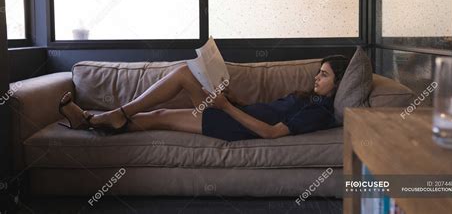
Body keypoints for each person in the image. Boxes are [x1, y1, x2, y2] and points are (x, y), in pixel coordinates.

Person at [58, 55, 349, 141]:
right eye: (318, 73)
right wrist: (232, 99)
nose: (316, 78)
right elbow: (267, 111)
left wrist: (225, 108)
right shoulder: (308, 99)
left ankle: (98, 119)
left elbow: (271, 132)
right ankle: (96, 119)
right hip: (237, 112)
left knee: (161, 113)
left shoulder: (319, 112)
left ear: (338, 84)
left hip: (236, 126)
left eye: (324, 75)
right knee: (184, 76)